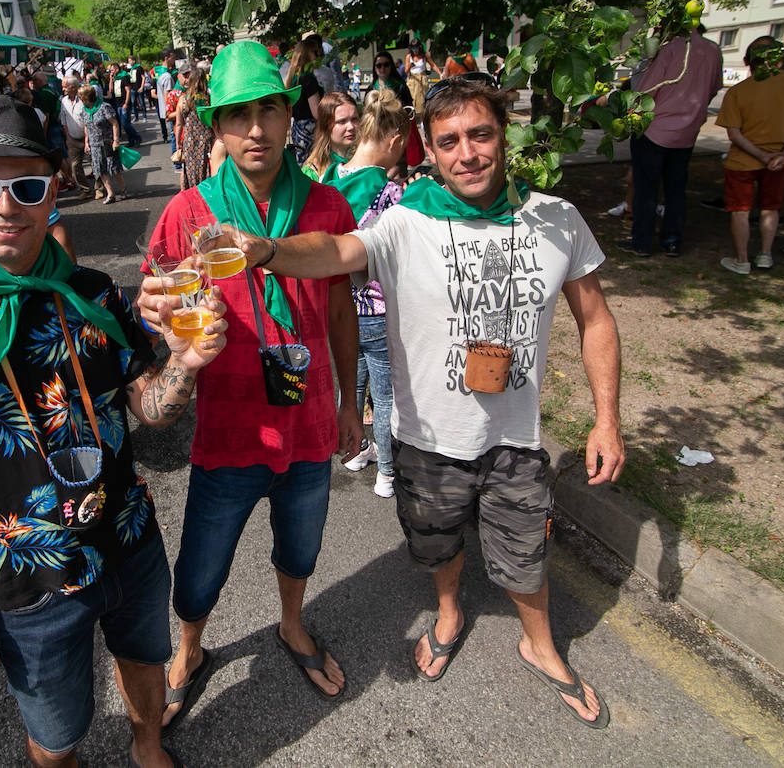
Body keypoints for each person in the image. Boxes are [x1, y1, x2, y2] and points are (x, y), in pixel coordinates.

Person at [224, 73, 624, 729]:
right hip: (427, 440)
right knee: (436, 545)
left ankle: (541, 642)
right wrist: (269, 250)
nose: (467, 153)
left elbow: (597, 319)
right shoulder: (407, 223)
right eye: (449, 141)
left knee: (524, 553)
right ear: (430, 153)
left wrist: (606, 419)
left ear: (504, 136)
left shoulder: (557, 220)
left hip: (516, 439)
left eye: (480, 134)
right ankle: (449, 612)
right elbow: (337, 250)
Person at [0, 92, 227, 768]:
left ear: (55, 189)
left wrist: (188, 363)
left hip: (128, 542)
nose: (6, 206)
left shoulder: (94, 293)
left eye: (27, 185)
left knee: (145, 660)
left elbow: (147, 409)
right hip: (26, 579)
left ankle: (148, 743)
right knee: (55, 737)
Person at [138, 39, 360, 725]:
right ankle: (191, 648)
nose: (256, 129)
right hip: (229, 432)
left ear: (290, 114)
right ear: (218, 126)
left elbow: (342, 306)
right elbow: (160, 309)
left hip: (310, 417)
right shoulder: (188, 213)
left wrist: (353, 402)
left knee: (300, 547)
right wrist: (164, 324)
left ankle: (292, 625)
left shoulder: (327, 206)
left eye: (268, 110)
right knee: (201, 569)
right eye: (238, 115)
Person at [323, 89, 407, 497]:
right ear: (392, 138)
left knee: (351, 381)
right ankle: (388, 473)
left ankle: (354, 449)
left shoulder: (330, 177)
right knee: (385, 392)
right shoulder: (391, 192)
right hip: (377, 305)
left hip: (337, 303)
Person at [714, 38, 784, 274]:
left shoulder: (738, 92)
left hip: (744, 161)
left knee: (740, 210)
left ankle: (742, 259)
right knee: (771, 208)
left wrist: (762, 155)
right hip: (778, 160)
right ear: (780, 59)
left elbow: (734, 134)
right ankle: (765, 254)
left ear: (748, 61)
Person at [626, 25, 723, 257]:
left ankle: (641, 242)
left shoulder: (669, 50)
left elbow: (646, 91)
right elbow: (713, 88)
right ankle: (671, 240)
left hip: (654, 129)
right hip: (687, 132)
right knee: (676, 189)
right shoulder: (713, 50)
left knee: (646, 189)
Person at [283, 38, 325, 164]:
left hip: (297, 127)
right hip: (310, 129)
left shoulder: (293, 79)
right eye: (315, 52)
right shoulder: (309, 79)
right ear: (308, 54)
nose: (318, 56)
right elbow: (316, 112)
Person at [81, 85, 126, 204]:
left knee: (113, 168)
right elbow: (86, 127)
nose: (80, 99)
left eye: (81, 97)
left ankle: (123, 189)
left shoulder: (104, 107)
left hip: (107, 142)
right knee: (100, 170)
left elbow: (115, 123)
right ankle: (110, 193)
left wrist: (116, 140)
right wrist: (86, 142)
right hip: (94, 145)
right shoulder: (84, 110)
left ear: (87, 97)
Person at [301, 92, 358, 182]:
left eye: (354, 119)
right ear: (326, 126)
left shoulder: (367, 161)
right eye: (342, 121)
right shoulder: (312, 172)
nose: (351, 127)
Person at [176, 67, 217, 190]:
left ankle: (188, 194)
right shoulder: (209, 100)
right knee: (207, 168)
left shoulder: (183, 100)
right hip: (207, 139)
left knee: (188, 169)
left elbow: (178, 124)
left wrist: (178, 142)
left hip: (189, 139)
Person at [59, 76, 93, 199]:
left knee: (94, 164)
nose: (63, 89)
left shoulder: (83, 99)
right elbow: (63, 119)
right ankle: (86, 189)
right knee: (75, 165)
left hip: (88, 137)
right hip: (72, 138)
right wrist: (67, 136)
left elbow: (87, 120)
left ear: (73, 87)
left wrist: (87, 139)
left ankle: (100, 188)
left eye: (64, 86)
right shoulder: (64, 100)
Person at [402, 40, 440, 116]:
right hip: (413, 79)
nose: (415, 51)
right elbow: (405, 71)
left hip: (422, 78)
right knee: (413, 99)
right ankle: (413, 119)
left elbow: (433, 65)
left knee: (423, 100)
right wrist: (410, 66)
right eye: (413, 49)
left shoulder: (424, 55)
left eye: (416, 48)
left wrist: (440, 73)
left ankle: (423, 120)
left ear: (419, 47)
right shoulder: (409, 56)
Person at [156, 49, 178, 155]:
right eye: (172, 58)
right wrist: (171, 111)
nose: (174, 60)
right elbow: (168, 97)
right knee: (174, 135)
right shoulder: (167, 76)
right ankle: (177, 163)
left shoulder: (160, 73)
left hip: (165, 110)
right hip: (170, 111)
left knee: (173, 134)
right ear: (166, 58)